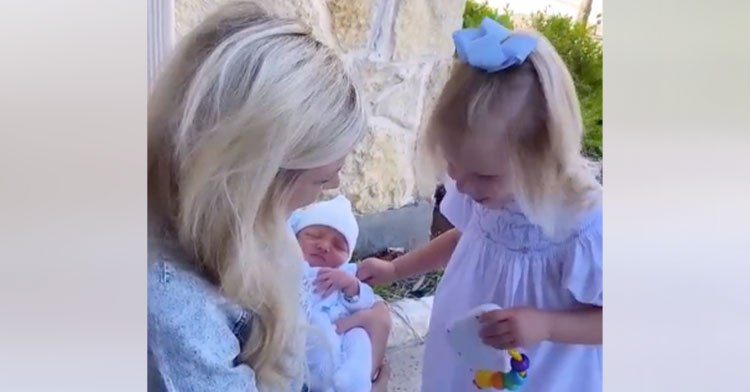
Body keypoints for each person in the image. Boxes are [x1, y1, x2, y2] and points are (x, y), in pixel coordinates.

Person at [146, 2, 390, 391]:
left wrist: (374, 320)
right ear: (256, 180)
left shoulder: (252, 231)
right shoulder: (175, 307)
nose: (333, 187)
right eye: (320, 180)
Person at [357, 17, 603, 392]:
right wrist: (396, 270)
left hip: (540, 375)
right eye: (454, 164)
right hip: (465, 362)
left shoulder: (583, 225)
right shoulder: (491, 191)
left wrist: (547, 324)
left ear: (541, 159)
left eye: (484, 176)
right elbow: (468, 237)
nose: (463, 184)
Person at [289, 195, 391, 392]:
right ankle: (321, 380)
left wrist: (351, 286)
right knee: (314, 336)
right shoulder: (291, 262)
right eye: (314, 236)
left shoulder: (347, 272)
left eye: (338, 246)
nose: (324, 246)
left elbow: (366, 301)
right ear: (295, 236)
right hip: (308, 329)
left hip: (342, 333)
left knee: (360, 337)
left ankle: (355, 380)